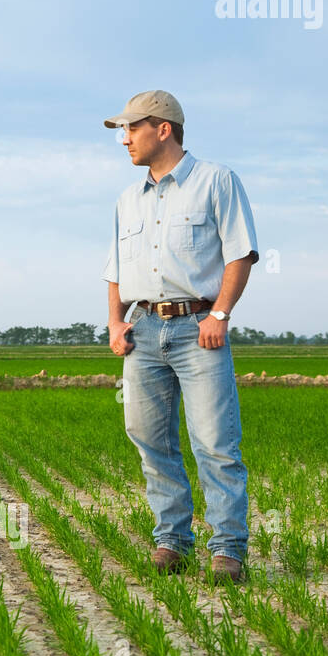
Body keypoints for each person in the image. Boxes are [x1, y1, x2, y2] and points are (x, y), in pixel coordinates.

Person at [102, 90, 258, 583]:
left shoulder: (217, 181)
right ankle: (172, 540)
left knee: (214, 442)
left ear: (162, 129)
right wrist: (115, 322)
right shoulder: (127, 200)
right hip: (143, 331)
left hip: (198, 330)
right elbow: (115, 270)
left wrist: (220, 314)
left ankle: (228, 549)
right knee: (149, 437)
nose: (124, 139)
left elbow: (241, 254)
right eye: (122, 131)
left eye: (131, 129)